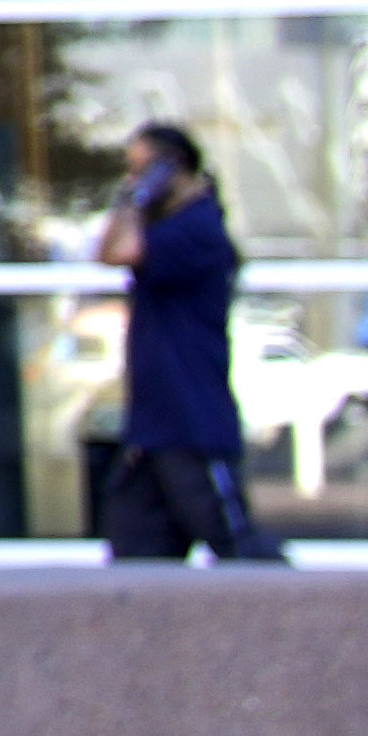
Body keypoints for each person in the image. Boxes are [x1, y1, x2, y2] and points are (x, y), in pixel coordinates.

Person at [96, 120, 279, 564]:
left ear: (173, 167)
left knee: (237, 546)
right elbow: (105, 253)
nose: (133, 180)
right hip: (152, 426)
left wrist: (139, 200)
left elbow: (124, 252)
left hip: (191, 420)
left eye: (142, 169)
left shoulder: (197, 228)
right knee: (138, 552)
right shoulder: (163, 226)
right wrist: (130, 200)